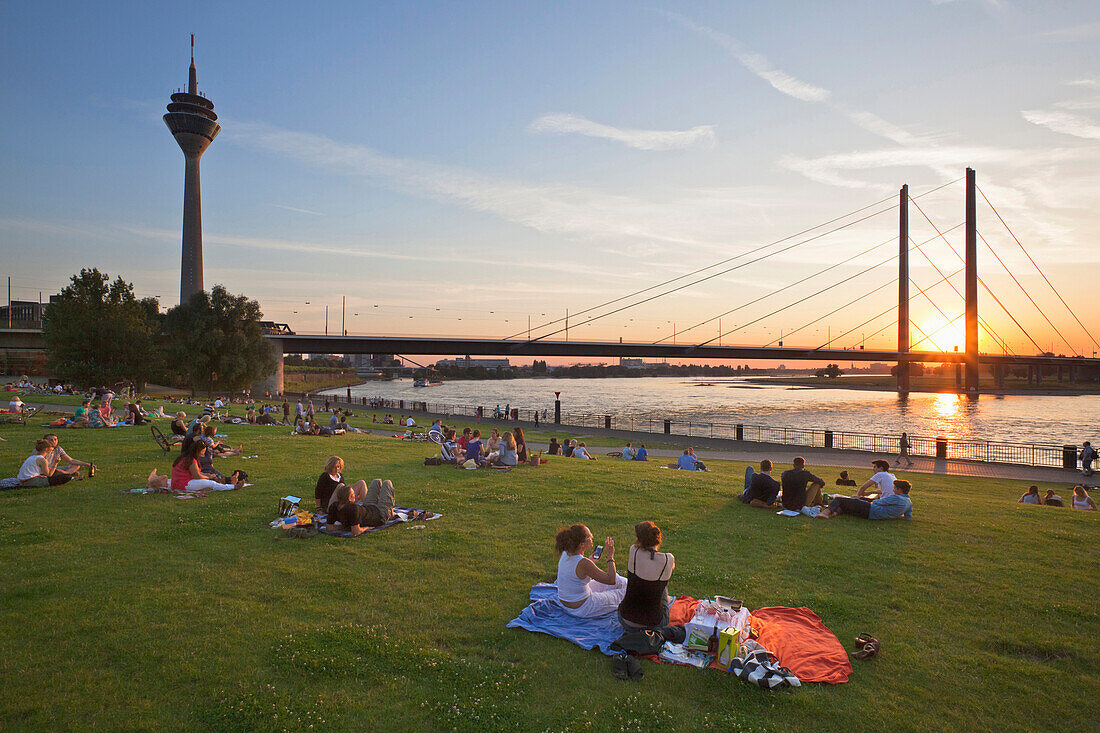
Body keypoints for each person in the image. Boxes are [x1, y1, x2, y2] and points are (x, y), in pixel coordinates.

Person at [554, 524, 627, 618]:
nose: (592, 536)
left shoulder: (566, 553)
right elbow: (611, 580)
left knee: (621, 581)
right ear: (582, 544)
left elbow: (577, 571)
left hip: (569, 600)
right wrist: (610, 557)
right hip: (582, 608)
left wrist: (591, 561)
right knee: (626, 593)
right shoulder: (584, 563)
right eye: (589, 536)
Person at [618, 521, 675, 629]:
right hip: (654, 625)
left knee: (654, 579)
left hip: (625, 620)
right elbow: (669, 571)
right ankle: (666, 599)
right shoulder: (668, 559)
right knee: (662, 581)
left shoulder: (633, 551)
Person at [327, 480, 403, 536]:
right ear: (349, 498)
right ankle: (390, 513)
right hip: (380, 514)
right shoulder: (353, 509)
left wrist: (344, 527)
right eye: (353, 494)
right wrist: (367, 528)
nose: (355, 496)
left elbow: (329, 528)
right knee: (387, 483)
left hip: (368, 507)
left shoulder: (334, 506)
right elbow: (356, 531)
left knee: (376, 481)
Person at [818, 479, 913, 520]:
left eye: (895, 488)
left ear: (900, 490)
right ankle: (833, 513)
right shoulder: (909, 503)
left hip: (871, 510)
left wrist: (861, 499)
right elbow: (908, 517)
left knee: (840, 500)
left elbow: (878, 502)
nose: (893, 489)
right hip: (873, 515)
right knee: (845, 507)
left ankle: (825, 513)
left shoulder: (896, 498)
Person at [170, 442, 243, 493]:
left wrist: (206, 475)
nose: (203, 453)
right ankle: (232, 487)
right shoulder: (191, 460)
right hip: (183, 484)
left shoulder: (186, 457)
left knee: (211, 479)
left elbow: (195, 473)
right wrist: (208, 477)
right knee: (210, 483)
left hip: (178, 483)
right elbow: (197, 476)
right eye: (202, 451)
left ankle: (230, 481)